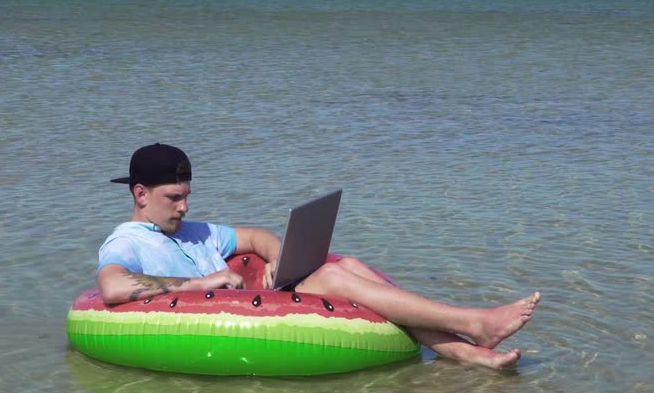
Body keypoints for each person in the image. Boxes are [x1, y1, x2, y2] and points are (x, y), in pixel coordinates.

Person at [96, 143, 541, 369]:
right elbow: (113, 286)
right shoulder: (128, 241)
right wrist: (199, 284)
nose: (185, 207)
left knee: (346, 267)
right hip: (215, 322)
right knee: (330, 277)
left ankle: (466, 353)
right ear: (140, 193)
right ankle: (471, 324)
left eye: (187, 196)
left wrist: (277, 258)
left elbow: (255, 236)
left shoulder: (196, 231)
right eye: (174, 198)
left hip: (262, 302)